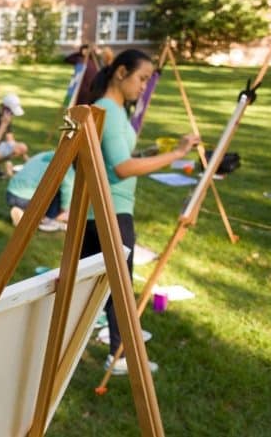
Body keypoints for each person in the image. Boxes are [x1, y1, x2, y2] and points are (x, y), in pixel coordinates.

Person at [82, 49, 200, 375]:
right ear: (121, 72)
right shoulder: (108, 109)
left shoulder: (113, 110)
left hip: (99, 210)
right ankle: (119, 356)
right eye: (142, 78)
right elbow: (122, 166)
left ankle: (69, 344)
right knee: (119, 289)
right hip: (111, 211)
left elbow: (117, 155)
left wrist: (156, 151)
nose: (144, 87)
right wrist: (175, 155)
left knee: (90, 287)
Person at [6, 150, 73, 232]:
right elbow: (67, 190)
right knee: (58, 189)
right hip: (28, 199)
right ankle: (47, 218)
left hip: (11, 193)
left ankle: (23, 213)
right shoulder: (68, 164)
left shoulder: (42, 155)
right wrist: (64, 210)